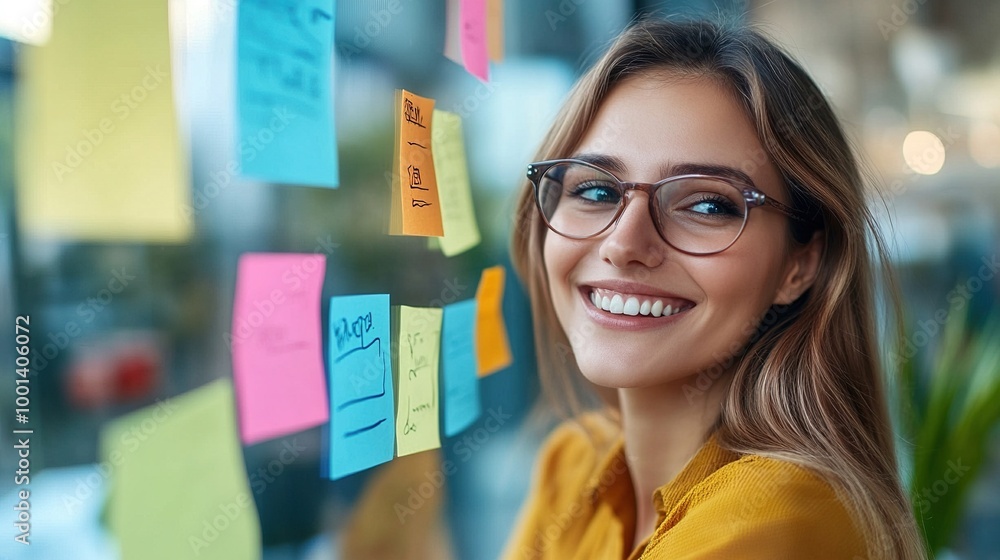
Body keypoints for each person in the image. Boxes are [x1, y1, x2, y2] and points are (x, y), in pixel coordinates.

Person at [504, 17, 926, 560]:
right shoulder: (573, 464)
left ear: (801, 262)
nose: (624, 243)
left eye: (707, 205)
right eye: (595, 190)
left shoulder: (777, 519)